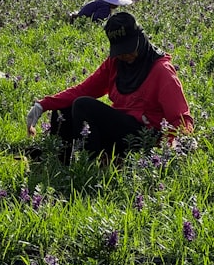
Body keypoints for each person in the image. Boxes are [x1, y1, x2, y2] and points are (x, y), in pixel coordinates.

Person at [26, 11, 193, 163]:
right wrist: (44, 104)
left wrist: (175, 145)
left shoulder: (161, 71)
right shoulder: (116, 63)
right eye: (120, 51)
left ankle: (92, 166)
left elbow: (180, 118)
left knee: (83, 105)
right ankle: (59, 161)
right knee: (64, 109)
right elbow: (84, 89)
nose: (125, 55)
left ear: (141, 39)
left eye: (128, 49)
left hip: (144, 138)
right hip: (119, 129)